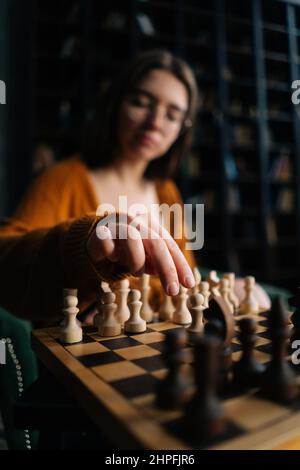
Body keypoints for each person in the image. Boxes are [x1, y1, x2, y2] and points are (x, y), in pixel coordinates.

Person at [0, 49, 199, 323]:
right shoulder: (62, 179)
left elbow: (184, 281)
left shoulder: (168, 191)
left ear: (182, 129)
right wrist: (86, 243)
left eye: (172, 115)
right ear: (116, 104)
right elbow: (5, 263)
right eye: (141, 102)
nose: (154, 123)